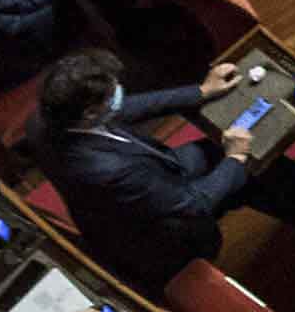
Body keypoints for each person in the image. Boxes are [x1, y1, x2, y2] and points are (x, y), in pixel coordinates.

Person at [29, 45, 272, 289]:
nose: (119, 98)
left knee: (219, 155)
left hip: (150, 179)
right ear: (91, 113)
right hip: (166, 235)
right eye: (112, 96)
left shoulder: (46, 119)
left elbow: (128, 107)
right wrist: (235, 158)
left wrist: (202, 91)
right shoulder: (110, 171)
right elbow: (193, 204)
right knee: (256, 172)